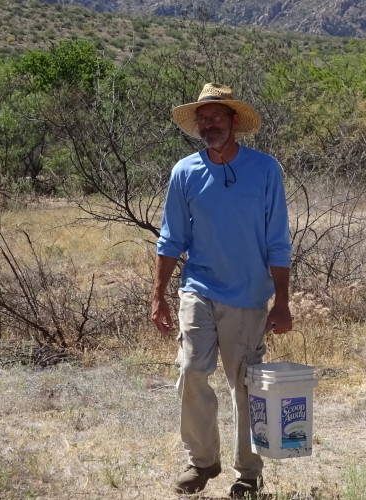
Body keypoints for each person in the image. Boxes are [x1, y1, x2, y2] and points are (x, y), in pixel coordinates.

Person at [151, 83, 293, 497]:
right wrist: (158, 294)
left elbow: (277, 240)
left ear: (234, 121)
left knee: (244, 383)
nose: (208, 124)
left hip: (248, 295)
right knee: (191, 370)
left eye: (216, 117)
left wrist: (281, 301)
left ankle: (248, 472)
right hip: (198, 288)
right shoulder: (185, 172)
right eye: (202, 118)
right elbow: (171, 238)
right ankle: (203, 462)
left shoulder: (265, 169)